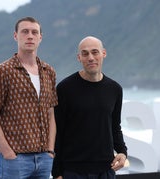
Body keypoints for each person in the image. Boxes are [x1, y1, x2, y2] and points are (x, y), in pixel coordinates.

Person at [0, 16, 58, 179]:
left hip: (44, 159)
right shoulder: (4, 71)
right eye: (25, 32)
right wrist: (8, 153)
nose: (30, 36)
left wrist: (50, 151)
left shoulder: (48, 71)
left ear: (40, 37)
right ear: (16, 36)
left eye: (34, 32)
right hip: (14, 160)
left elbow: (51, 114)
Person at [52, 36, 127, 179]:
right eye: (85, 54)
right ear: (79, 57)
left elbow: (114, 126)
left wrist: (122, 152)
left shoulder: (115, 89)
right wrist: (57, 173)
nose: (91, 57)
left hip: (106, 170)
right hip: (73, 171)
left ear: (103, 53)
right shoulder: (65, 89)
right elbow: (57, 132)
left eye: (95, 52)